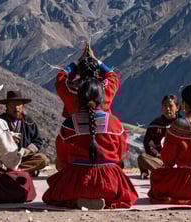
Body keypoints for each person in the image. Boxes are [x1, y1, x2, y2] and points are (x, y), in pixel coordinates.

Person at [43, 78, 138, 209]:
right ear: (101, 98)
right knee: (125, 194)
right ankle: (105, 199)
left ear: (79, 98)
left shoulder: (69, 124)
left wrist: (68, 173)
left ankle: (77, 200)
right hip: (109, 181)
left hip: (79, 180)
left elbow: (61, 160)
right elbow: (121, 155)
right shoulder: (114, 123)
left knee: (53, 195)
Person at [56, 42, 120, 118]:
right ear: (97, 72)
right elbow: (113, 76)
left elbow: (61, 77)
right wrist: (98, 62)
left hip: (73, 128)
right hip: (104, 128)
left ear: (79, 72)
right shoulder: (106, 89)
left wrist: (75, 65)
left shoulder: (69, 90)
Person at [0, 90, 49, 176]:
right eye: (13, 104)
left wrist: (28, 150)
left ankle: (14, 171)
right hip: (4, 158)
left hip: (23, 158)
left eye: (19, 104)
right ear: (7, 106)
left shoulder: (28, 121)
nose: (16, 108)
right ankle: (18, 171)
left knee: (43, 159)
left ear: (23, 106)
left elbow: (37, 141)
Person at [137, 94, 179, 178]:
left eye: (170, 106)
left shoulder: (183, 124)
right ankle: (149, 172)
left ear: (177, 108)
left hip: (179, 162)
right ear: (161, 108)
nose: (167, 109)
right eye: (165, 106)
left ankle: (165, 173)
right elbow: (148, 145)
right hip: (161, 161)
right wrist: (158, 155)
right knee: (142, 157)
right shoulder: (154, 125)